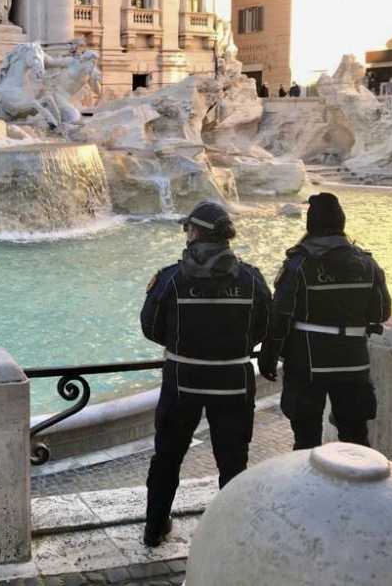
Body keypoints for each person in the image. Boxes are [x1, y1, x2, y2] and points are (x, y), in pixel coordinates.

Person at [140, 202, 272, 546]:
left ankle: (154, 528)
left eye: (188, 229)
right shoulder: (251, 279)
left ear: (195, 232)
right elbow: (265, 327)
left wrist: (183, 347)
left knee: (167, 457)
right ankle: (232, 534)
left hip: (182, 380)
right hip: (232, 381)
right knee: (232, 461)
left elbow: (151, 327)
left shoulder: (171, 278)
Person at [259, 193, 391, 450]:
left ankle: (310, 490)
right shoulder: (367, 263)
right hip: (353, 363)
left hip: (307, 364)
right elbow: (381, 313)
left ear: (311, 225)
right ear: (341, 222)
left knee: (306, 441)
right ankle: (359, 487)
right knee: (356, 441)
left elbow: (279, 319)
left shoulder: (298, 265)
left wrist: (268, 356)